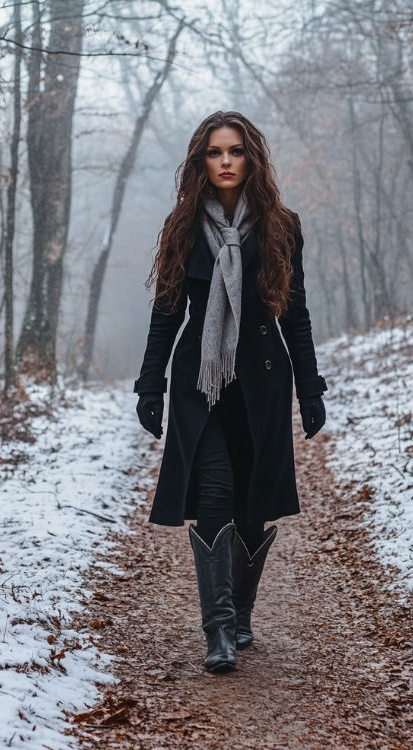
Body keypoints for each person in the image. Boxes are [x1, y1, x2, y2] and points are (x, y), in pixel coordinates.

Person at [134, 111, 327, 674]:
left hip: (263, 381)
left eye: (236, 151)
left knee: (252, 503)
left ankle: (242, 614)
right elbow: (167, 312)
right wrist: (149, 383)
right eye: (215, 152)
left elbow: (296, 316)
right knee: (215, 493)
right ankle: (218, 629)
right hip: (201, 380)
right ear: (201, 161)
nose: (225, 161)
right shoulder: (183, 226)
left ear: (251, 158)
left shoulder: (280, 226)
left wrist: (310, 389)